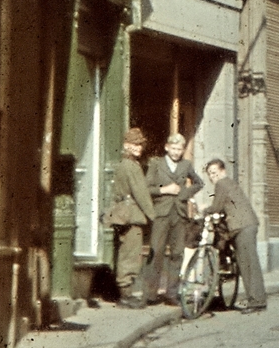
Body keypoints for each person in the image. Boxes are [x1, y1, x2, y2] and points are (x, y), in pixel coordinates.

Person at [145, 133, 203, 303]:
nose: (177, 152)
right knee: (156, 252)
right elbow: (147, 188)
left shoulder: (186, 165)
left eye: (180, 149)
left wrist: (183, 194)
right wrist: (165, 190)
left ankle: (171, 293)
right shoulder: (156, 164)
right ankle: (150, 294)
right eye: (174, 148)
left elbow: (199, 183)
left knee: (177, 254)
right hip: (161, 214)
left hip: (179, 214)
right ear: (167, 147)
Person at [205, 159, 267, 313]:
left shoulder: (222, 183)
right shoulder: (230, 183)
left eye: (214, 172)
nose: (212, 176)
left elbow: (216, 207)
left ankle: (257, 301)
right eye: (210, 174)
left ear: (223, 171)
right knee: (248, 262)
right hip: (246, 225)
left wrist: (203, 210)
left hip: (242, 227)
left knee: (248, 264)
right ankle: (257, 299)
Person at [106, 128, 156, 307]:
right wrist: (152, 214)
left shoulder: (123, 164)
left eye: (140, 144)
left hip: (123, 214)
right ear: (126, 145)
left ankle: (126, 293)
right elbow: (141, 193)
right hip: (131, 215)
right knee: (130, 255)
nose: (138, 148)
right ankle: (125, 295)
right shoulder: (131, 167)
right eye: (135, 144)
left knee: (126, 252)